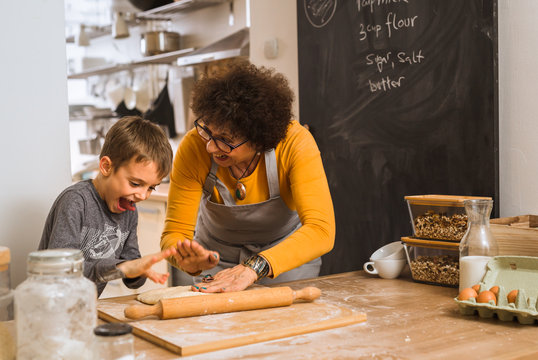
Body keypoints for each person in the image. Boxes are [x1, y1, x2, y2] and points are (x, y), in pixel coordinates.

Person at [161, 60, 335, 293]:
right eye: (208, 131)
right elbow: (173, 234)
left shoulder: (295, 142)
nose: (211, 147)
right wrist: (186, 259)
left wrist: (255, 266)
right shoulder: (194, 147)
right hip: (218, 264)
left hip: (285, 263)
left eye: (226, 140)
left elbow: (321, 230)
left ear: (259, 138)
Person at [39, 116, 176, 297]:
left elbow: (129, 267)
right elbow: (60, 269)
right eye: (135, 183)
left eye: (151, 187)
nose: (142, 195)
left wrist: (141, 269)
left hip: (86, 307)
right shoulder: (76, 202)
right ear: (106, 166)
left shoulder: (128, 212)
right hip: (51, 305)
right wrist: (121, 267)